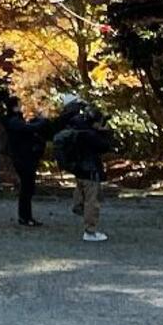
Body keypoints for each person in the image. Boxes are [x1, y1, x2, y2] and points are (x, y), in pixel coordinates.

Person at [49, 92, 112, 241]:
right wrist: (104, 133)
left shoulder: (72, 126)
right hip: (89, 169)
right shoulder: (89, 133)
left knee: (82, 190)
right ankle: (90, 231)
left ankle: (78, 205)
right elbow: (104, 146)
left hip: (78, 168)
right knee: (92, 201)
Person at [0, 97, 52, 227]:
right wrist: (42, 121)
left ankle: (26, 216)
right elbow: (29, 129)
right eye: (19, 105)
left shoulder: (12, 120)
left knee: (27, 187)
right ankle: (25, 217)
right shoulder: (14, 121)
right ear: (15, 107)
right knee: (27, 188)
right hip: (22, 157)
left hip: (21, 156)